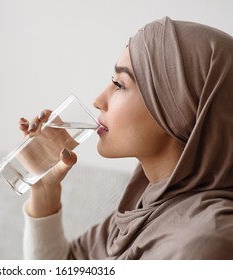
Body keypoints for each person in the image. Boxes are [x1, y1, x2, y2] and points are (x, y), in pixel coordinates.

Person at [19, 16, 233, 259]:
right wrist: (45, 191)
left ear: (178, 109)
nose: (98, 100)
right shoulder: (142, 209)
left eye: (119, 84)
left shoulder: (205, 245)